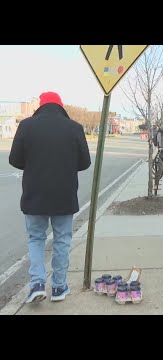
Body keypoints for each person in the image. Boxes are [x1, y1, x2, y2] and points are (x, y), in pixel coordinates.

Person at [9, 91, 91, 303]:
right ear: (61, 106)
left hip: (34, 195)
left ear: (41, 106)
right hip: (64, 196)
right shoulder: (74, 128)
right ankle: (58, 287)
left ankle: (37, 284)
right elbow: (85, 163)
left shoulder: (27, 126)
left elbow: (15, 160)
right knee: (62, 240)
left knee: (36, 238)